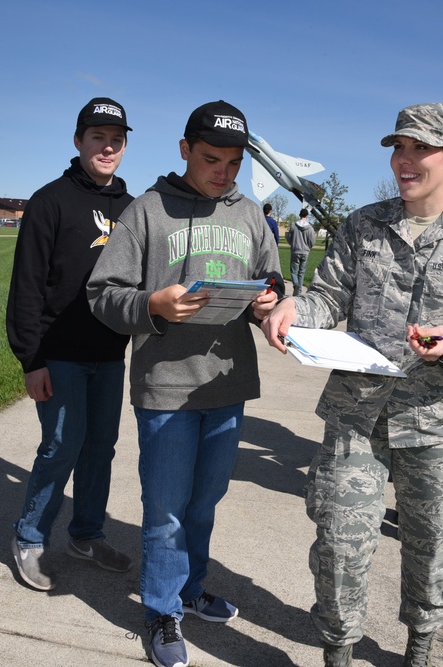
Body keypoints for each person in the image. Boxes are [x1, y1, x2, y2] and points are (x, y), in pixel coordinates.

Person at [261, 103, 443, 667]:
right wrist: (297, 307)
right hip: (356, 414)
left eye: (420, 148)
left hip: (435, 422)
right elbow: (329, 298)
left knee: (429, 550)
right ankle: (338, 652)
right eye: (399, 147)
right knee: (339, 548)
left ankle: (420, 649)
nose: (405, 159)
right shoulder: (361, 224)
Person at [86, 100, 282, 667]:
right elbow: (102, 293)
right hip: (167, 387)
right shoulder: (147, 211)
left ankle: (190, 589)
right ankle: (161, 611)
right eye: (210, 158)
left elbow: (271, 280)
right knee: (167, 508)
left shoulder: (249, 214)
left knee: (205, 502)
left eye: (233, 161)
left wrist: (269, 300)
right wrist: (151, 303)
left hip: (227, 383)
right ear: (184, 150)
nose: (222, 171)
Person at [6, 97, 135, 592]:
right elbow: (27, 287)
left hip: (109, 355)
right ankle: (30, 536)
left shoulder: (132, 207)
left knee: (101, 447)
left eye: (116, 139)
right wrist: (31, 359)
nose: (107, 146)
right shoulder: (50, 200)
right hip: (58, 354)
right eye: (97, 137)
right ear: (78, 140)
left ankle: (86, 533)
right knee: (62, 444)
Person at [286, 207, 316, 295]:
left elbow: (288, 238)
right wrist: (308, 247)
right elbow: (312, 241)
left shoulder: (293, 226)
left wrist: (292, 244)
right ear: (307, 216)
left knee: (294, 271)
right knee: (301, 272)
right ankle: (298, 291)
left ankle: (296, 284)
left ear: (299, 215)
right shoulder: (310, 228)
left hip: (295, 250)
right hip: (305, 252)